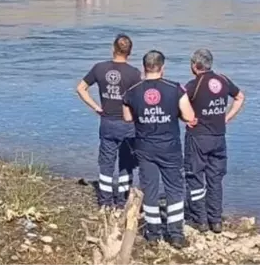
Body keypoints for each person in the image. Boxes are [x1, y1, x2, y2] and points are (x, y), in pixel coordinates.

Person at [122, 50, 195, 248]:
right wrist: (174, 114)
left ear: (144, 67)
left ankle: (153, 234)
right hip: (170, 147)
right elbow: (189, 116)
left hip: (145, 147)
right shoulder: (175, 89)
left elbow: (127, 117)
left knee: (150, 189)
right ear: (162, 68)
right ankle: (176, 234)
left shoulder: (133, 90)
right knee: (174, 189)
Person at [76, 34, 142, 208]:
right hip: (128, 124)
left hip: (107, 122)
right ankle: (121, 201)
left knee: (106, 163)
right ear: (130, 52)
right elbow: (140, 100)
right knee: (126, 164)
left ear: (113, 49)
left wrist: (96, 107)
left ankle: (105, 202)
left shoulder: (100, 68)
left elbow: (81, 88)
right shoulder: (134, 73)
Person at [184, 49, 245, 234]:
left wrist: (187, 118)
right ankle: (216, 220)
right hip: (219, 138)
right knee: (215, 179)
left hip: (198, 137)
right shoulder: (223, 80)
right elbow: (240, 97)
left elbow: (178, 103)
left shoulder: (193, 85)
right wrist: (227, 117)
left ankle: (200, 220)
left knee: (195, 177)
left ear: (195, 66)